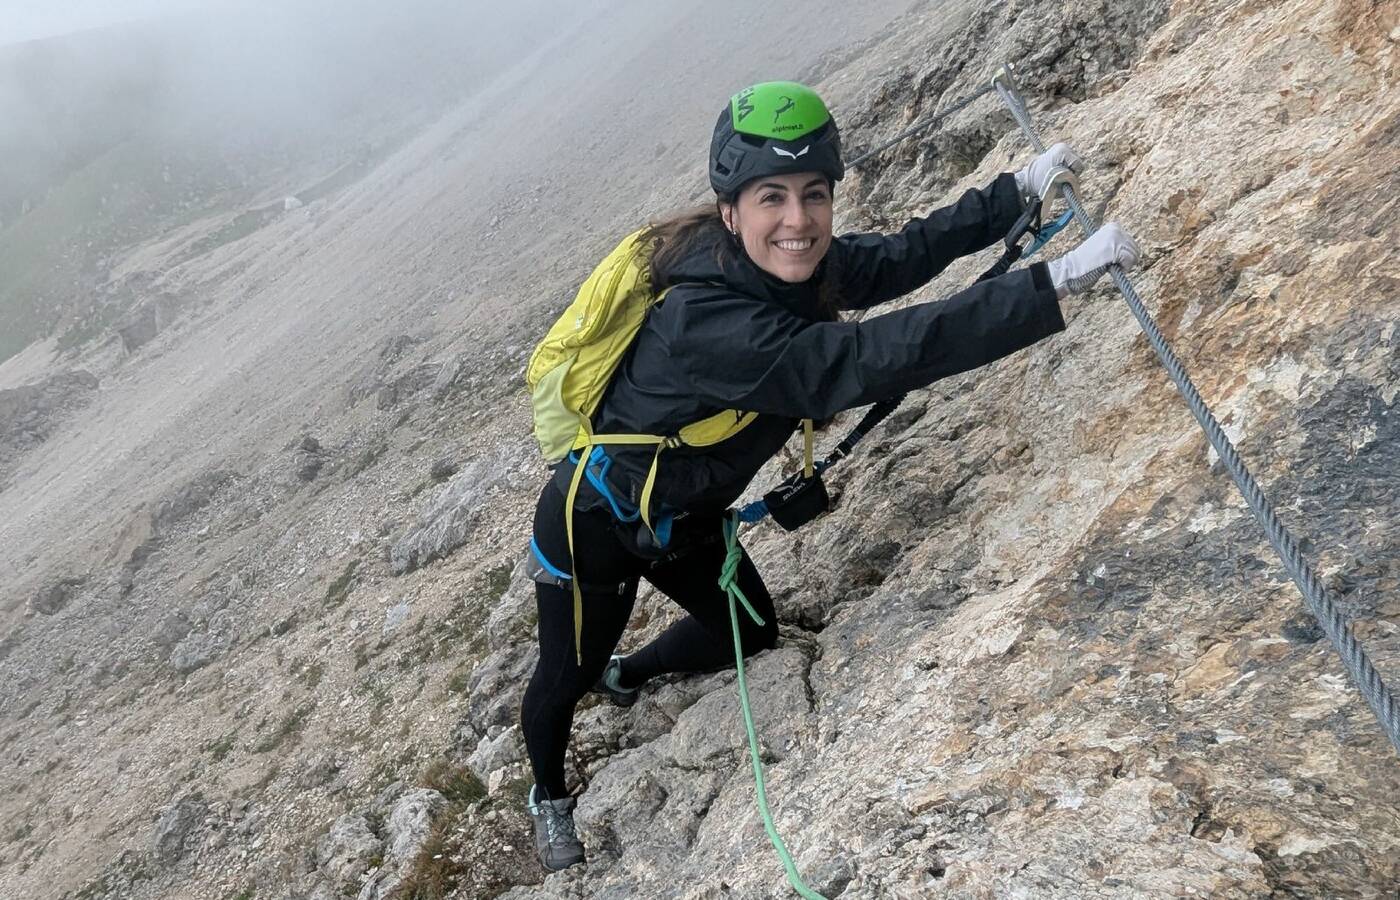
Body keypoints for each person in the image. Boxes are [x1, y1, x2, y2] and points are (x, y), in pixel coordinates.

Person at [520, 80, 1141, 871]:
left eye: (815, 194)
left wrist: (1011, 194)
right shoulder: (709, 324)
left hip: (685, 516)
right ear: (730, 209)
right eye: (771, 197)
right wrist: (1054, 283)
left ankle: (627, 674)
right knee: (561, 674)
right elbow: (866, 358)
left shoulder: (772, 266)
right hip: (593, 526)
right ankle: (548, 794)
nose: (799, 220)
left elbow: (892, 259)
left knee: (748, 631)